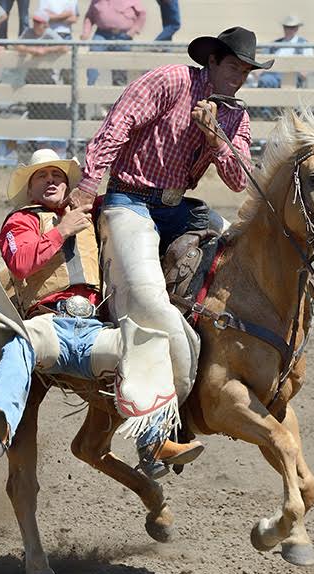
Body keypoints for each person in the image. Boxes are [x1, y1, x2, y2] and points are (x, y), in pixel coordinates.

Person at [67, 27, 272, 463]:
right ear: (212, 62)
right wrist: (88, 184)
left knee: (241, 259)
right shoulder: (172, 81)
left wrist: (216, 137)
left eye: (246, 71)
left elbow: (240, 181)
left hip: (181, 207)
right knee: (150, 304)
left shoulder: (235, 115)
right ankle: (158, 428)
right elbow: (117, 125)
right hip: (130, 198)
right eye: (233, 67)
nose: (239, 77)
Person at [0, 148, 205, 475]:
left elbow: (128, 210)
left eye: (56, 175)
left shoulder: (91, 212)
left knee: (148, 346)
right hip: (47, 324)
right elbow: (19, 263)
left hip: (93, 329)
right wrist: (62, 229)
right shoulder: (20, 221)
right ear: (29, 189)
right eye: (41, 176)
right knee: (19, 346)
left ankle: (155, 441)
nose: (50, 181)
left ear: (68, 185)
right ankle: (1, 420)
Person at [15, 11, 68, 119]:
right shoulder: (28, 32)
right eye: (34, 21)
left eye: (39, 22)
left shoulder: (49, 33)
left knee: (47, 107)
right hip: (31, 77)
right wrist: (31, 50)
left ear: (45, 24)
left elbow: (64, 47)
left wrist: (46, 50)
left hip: (47, 78)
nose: (35, 24)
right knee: (33, 107)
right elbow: (17, 45)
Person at [81, 0, 145, 88]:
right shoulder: (96, 1)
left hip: (123, 36)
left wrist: (133, 30)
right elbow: (89, 16)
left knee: (120, 65)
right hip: (102, 34)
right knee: (94, 57)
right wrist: (86, 32)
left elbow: (142, 14)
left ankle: (118, 92)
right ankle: (92, 87)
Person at [257, 15, 312, 90]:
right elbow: (264, 60)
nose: (289, 30)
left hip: (292, 74)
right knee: (264, 80)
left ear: (297, 28)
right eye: (286, 27)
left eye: (292, 27)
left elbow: (307, 67)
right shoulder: (275, 44)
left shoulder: (304, 44)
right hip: (273, 74)